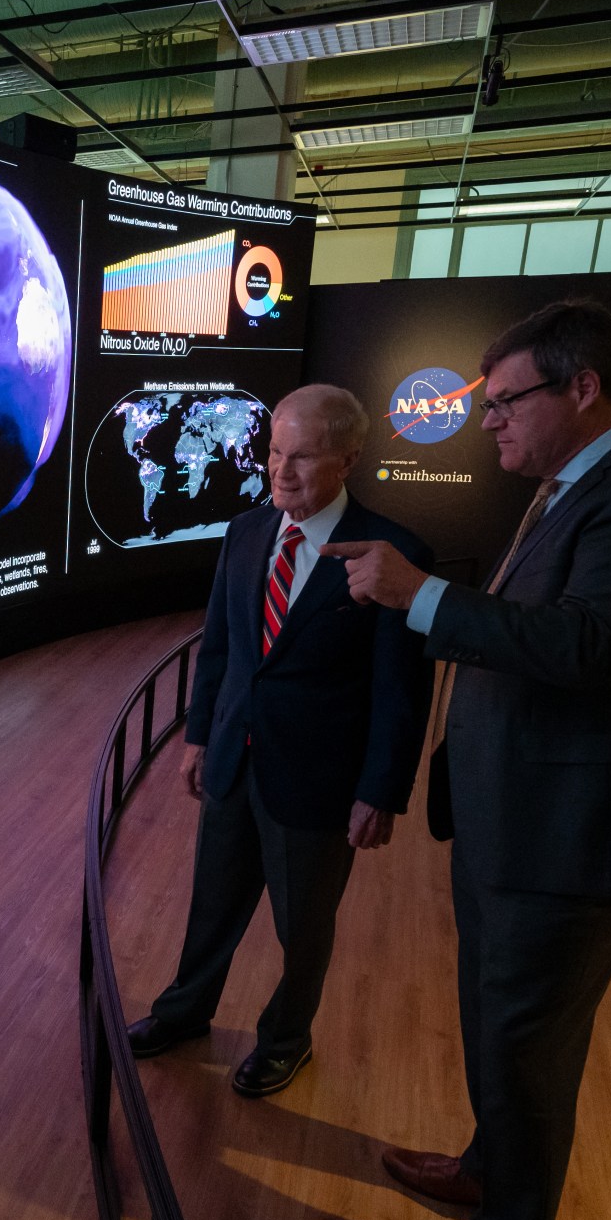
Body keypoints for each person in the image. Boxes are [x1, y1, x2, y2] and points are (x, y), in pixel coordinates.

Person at [324, 299, 611, 1220]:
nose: (488, 423)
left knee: (527, 1045)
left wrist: (420, 597)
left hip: (575, 836)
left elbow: (585, 643)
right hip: (517, 823)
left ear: (579, 387)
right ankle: (485, 1163)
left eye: (504, 401)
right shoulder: (572, 488)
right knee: (496, 1025)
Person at [126, 384, 433, 1098]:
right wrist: (200, 737)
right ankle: (184, 1014)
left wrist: (380, 790)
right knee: (211, 907)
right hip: (235, 761)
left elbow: (400, 692)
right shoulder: (246, 533)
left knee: (302, 928)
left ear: (348, 458)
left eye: (302, 457)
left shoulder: (394, 556)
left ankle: (287, 1041)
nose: (281, 471)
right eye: (273, 452)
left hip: (318, 785)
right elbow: (224, 650)